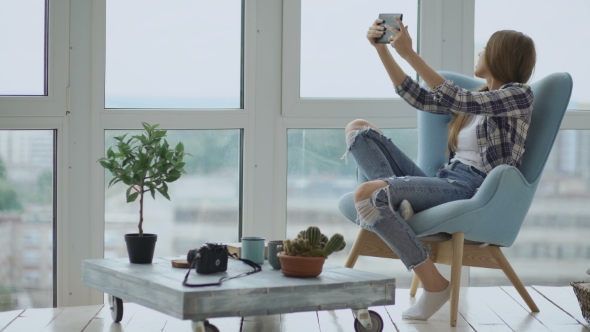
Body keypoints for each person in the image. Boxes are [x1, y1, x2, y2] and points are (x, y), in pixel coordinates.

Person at [343, 17, 536, 320]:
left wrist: (409, 53)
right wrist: (383, 51)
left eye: (485, 48)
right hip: (444, 180)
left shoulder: (519, 96)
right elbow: (417, 96)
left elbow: (456, 97)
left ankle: (435, 285)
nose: (480, 52)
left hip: (471, 189)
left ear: (501, 55)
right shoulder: (478, 98)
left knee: (366, 195)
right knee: (359, 130)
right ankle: (397, 202)